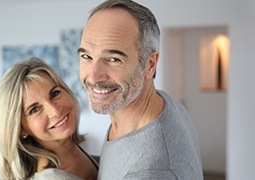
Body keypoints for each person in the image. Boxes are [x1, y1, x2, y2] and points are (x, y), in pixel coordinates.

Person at [78, 0, 203, 179]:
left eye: (113, 59)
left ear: (150, 64)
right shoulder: (164, 102)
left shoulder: (149, 171)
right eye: (86, 56)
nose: (93, 77)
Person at [0, 58, 98, 180]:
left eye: (54, 94)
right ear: (20, 129)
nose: (55, 111)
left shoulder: (71, 149)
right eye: (35, 109)